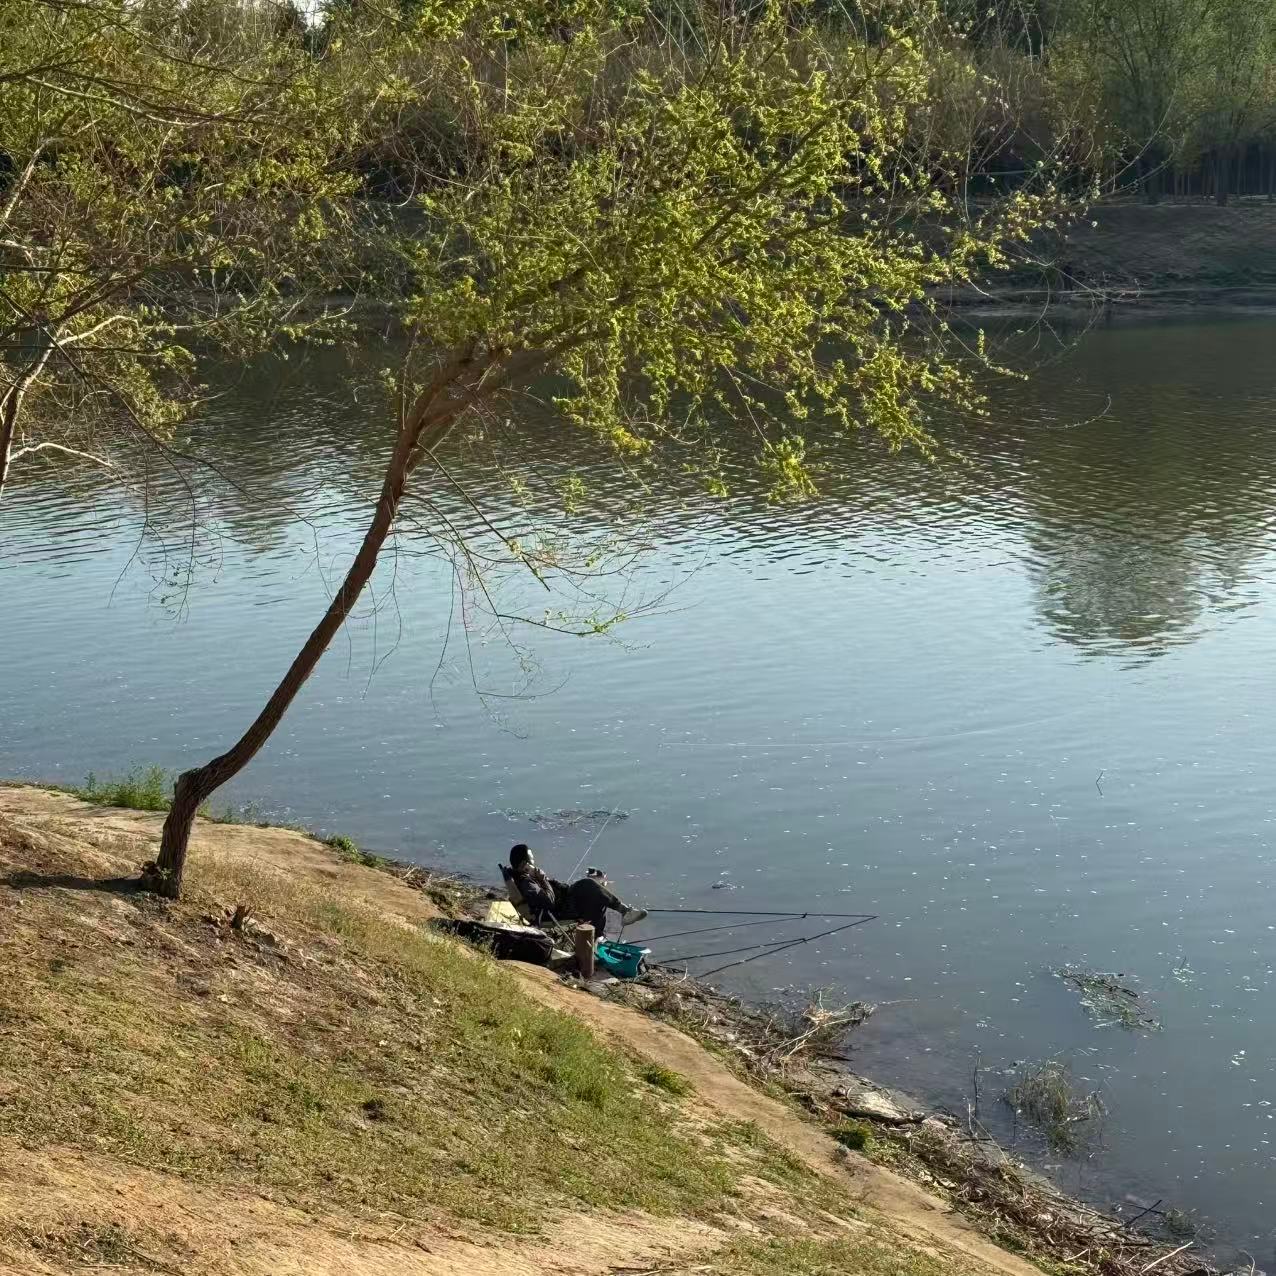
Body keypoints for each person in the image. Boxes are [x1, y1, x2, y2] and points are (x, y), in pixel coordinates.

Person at [508, 844, 647, 937]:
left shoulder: (525, 878)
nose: (534, 864)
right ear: (524, 865)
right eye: (532, 861)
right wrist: (543, 879)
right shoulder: (527, 882)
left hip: (563, 901)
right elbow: (548, 902)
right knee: (589, 886)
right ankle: (624, 912)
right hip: (557, 911)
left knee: (597, 894)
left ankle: (598, 936)